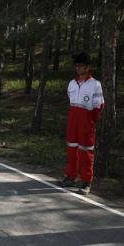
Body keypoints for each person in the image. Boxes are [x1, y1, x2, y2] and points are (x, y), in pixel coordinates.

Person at [61, 52, 105, 195]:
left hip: (87, 123)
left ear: (87, 67)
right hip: (73, 121)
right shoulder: (72, 83)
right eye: (76, 66)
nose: (78, 69)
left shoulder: (95, 85)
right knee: (71, 149)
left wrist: (90, 121)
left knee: (86, 151)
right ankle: (70, 176)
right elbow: (70, 99)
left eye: (80, 66)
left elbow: (99, 106)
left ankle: (86, 181)